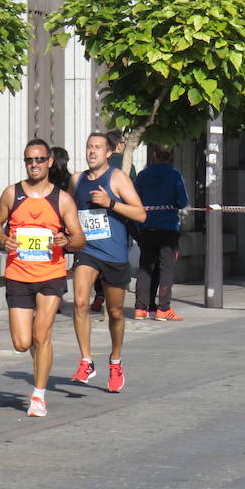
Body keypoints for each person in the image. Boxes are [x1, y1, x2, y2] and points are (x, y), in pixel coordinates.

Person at [0, 139, 86, 417]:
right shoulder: (12, 194)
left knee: (42, 334)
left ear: (49, 162)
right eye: (29, 160)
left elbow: (80, 239)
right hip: (18, 274)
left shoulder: (62, 199)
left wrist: (65, 239)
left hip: (51, 274)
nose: (34, 165)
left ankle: (38, 396)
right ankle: (40, 359)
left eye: (39, 159)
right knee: (22, 342)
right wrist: (3, 239)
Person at [69, 132, 147, 392]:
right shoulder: (77, 179)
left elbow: (140, 213)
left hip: (114, 255)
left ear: (108, 153)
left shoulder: (117, 178)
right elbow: (68, 211)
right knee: (80, 301)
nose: (92, 151)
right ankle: (86, 361)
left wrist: (111, 203)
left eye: (97, 147)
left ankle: (115, 360)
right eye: (89, 146)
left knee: (115, 313)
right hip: (87, 250)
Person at [134, 146, 189, 321]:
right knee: (166, 267)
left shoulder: (142, 175)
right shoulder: (175, 175)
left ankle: (140, 308)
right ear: (171, 156)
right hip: (168, 228)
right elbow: (182, 201)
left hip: (146, 227)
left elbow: (135, 199)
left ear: (154, 155)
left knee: (145, 267)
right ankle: (163, 308)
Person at [90, 130, 136, 315]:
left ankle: (99, 293)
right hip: (118, 221)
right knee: (116, 259)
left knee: (94, 257)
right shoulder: (126, 166)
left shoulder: (96, 166)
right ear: (118, 146)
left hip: (95, 220)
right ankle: (113, 294)